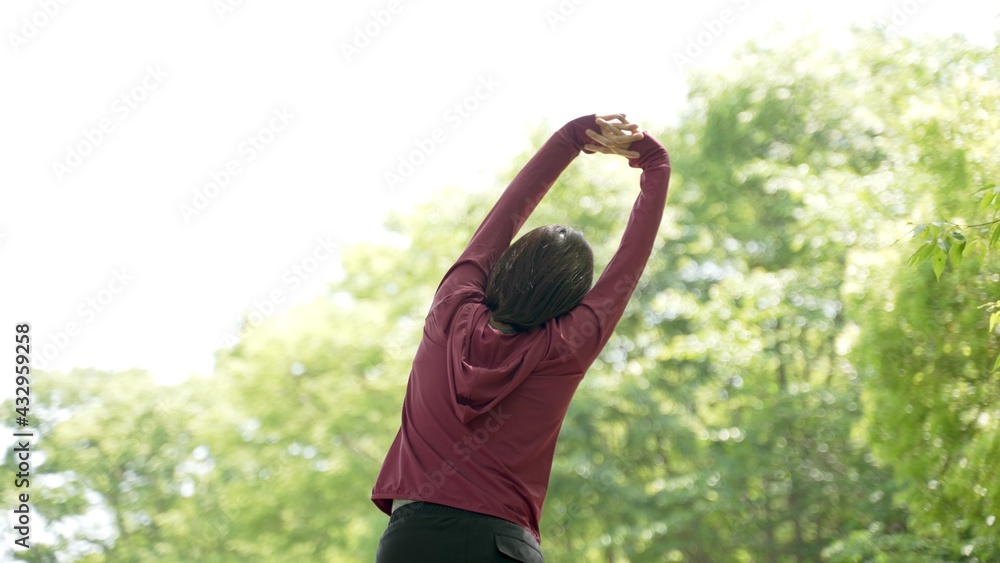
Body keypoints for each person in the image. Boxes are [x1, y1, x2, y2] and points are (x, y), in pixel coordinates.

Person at [371, 113, 671, 562]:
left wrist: (573, 138)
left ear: (505, 267)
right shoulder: (568, 344)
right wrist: (655, 164)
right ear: (572, 299)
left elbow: (502, 218)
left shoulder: (451, 310)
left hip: (413, 542)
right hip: (505, 547)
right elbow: (629, 264)